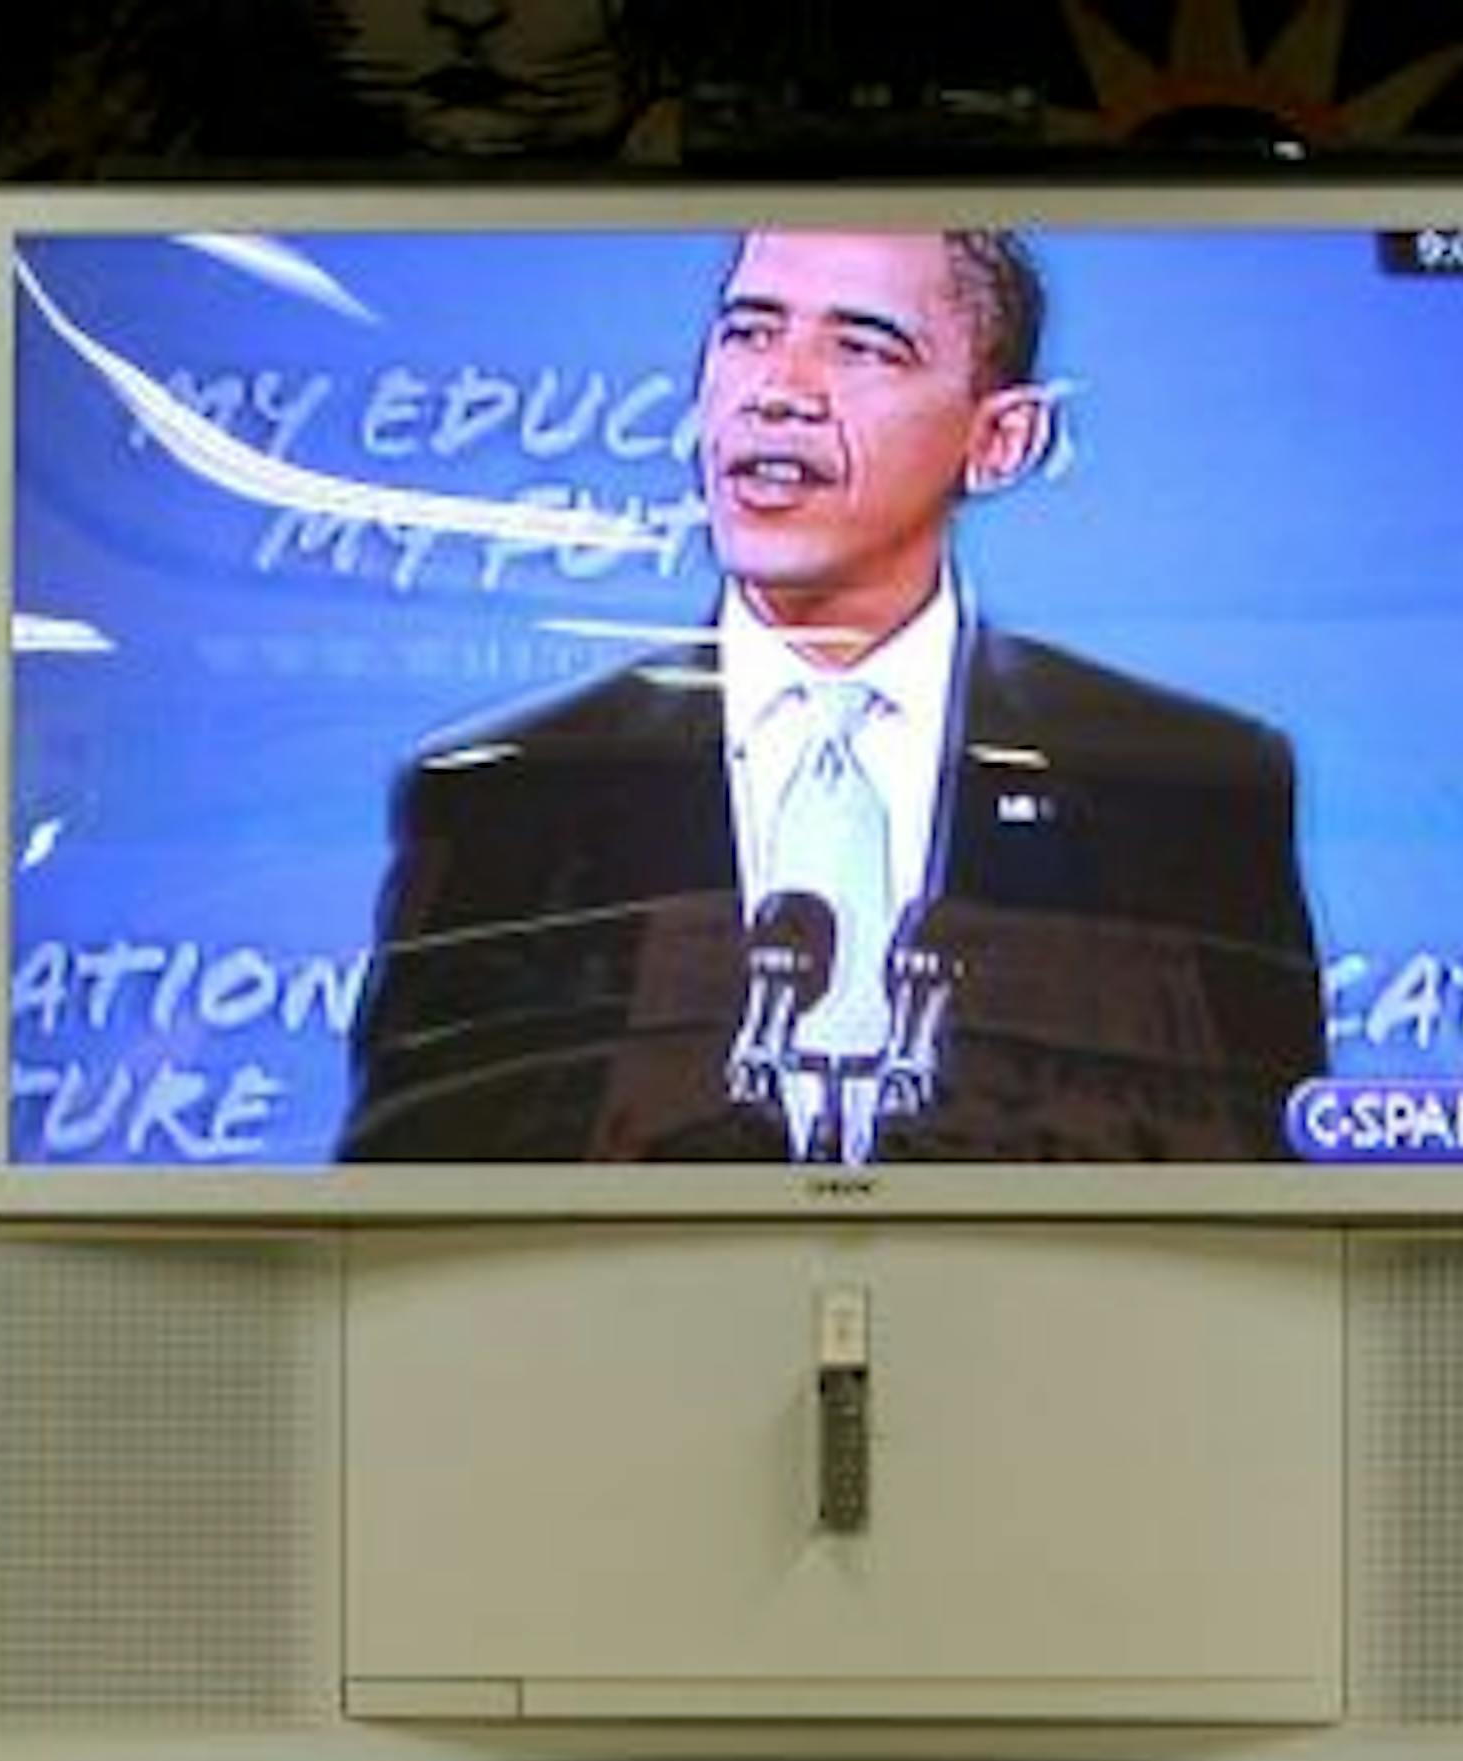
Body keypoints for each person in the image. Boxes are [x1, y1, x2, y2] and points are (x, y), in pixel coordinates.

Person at [342, 223, 1325, 1168]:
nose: (777, 391)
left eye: (862, 347)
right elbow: (413, 1201)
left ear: (1002, 440)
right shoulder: (501, 795)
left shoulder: (1189, 788)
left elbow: (1252, 1195)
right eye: (748, 332)